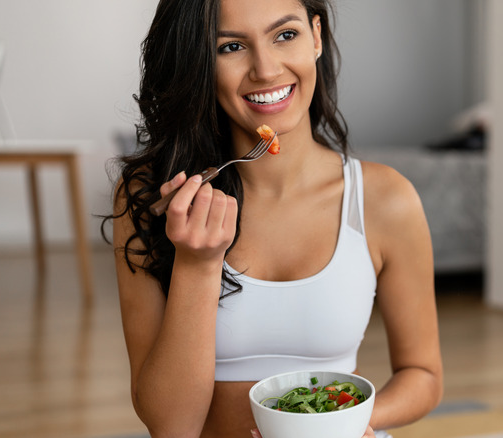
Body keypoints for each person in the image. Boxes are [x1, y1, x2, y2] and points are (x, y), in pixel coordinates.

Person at [105, 0, 443, 437]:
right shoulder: (150, 198)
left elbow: (424, 375)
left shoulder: (385, 199)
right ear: (197, 60)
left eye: (285, 35)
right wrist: (198, 263)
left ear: (316, 36)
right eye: (230, 47)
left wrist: (342, 423)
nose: (265, 70)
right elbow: (171, 427)